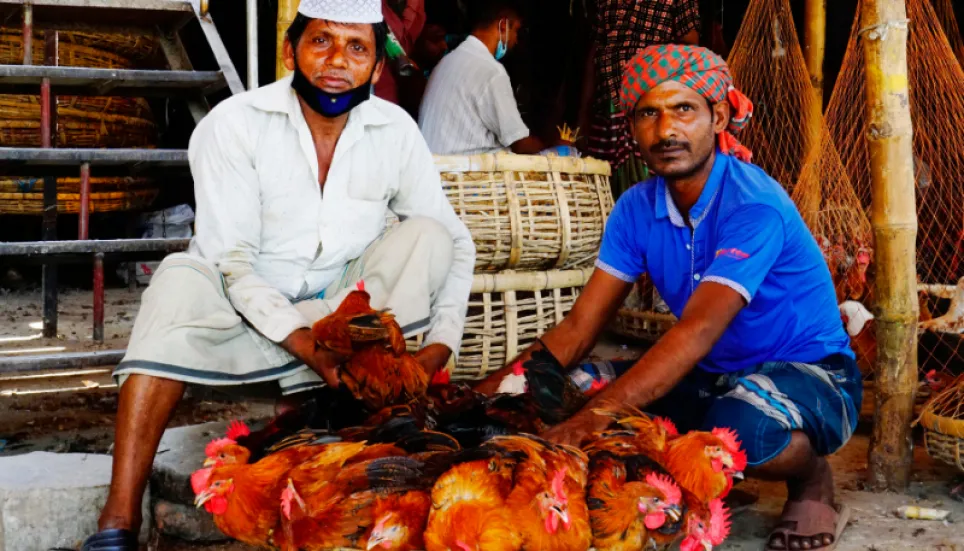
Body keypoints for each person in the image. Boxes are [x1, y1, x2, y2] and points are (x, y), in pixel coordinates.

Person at [77, 1, 475, 548]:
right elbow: (232, 264)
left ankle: (342, 441)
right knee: (176, 281)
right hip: (243, 309)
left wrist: (440, 349)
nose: (338, 61)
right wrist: (310, 346)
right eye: (321, 42)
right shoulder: (235, 125)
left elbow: (455, 240)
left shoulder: (395, 130)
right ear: (291, 50)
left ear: (377, 68)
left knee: (427, 234)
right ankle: (118, 520)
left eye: (357, 47)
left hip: (341, 310)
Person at [478, 45, 860, 551]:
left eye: (684, 109)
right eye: (648, 114)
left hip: (812, 374)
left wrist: (597, 416)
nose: (666, 130)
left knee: (736, 428)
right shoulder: (636, 207)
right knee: (565, 386)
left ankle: (812, 478)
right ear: (632, 129)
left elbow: (697, 330)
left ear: (717, 116)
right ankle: (696, 467)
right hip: (712, 377)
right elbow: (578, 330)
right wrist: (486, 394)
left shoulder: (754, 204)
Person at [577, 0, 701, 195]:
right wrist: (583, 115)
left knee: (652, 183)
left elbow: (690, 43)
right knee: (602, 186)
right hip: (608, 106)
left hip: (652, 103)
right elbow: (594, 54)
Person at [417, 0, 549, 155]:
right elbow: (520, 144)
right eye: (516, 32)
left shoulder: (446, 62)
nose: (515, 40)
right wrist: (553, 145)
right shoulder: (491, 72)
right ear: (503, 26)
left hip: (437, 168)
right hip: (461, 174)